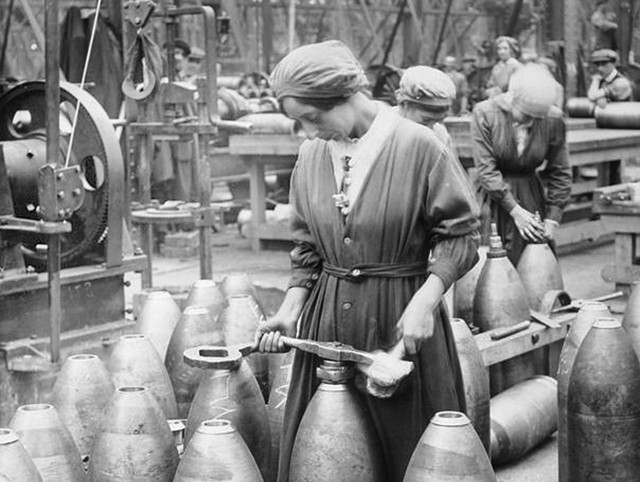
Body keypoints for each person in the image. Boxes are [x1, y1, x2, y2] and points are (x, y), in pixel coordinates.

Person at [255, 40, 480, 481]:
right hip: (327, 326)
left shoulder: (420, 147)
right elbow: (307, 250)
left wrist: (423, 304)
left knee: (408, 453)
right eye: (298, 122)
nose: (307, 132)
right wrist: (289, 312)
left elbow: (461, 238)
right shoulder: (311, 155)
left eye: (312, 118)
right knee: (324, 459)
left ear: (345, 96)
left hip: (402, 319)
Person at [471, 63, 572, 265]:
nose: (532, 122)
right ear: (512, 100)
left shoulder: (552, 119)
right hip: (493, 199)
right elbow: (486, 170)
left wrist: (553, 218)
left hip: (530, 196)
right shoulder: (486, 113)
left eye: (538, 118)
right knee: (491, 268)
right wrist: (515, 211)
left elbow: (560, 171)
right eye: (526, 115)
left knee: (534, 266)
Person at [395, 65, 459, 155]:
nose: (430, 128)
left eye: (437, 121)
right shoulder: (383, 133)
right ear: (405, 105)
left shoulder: (440, 134)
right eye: (425, 121)